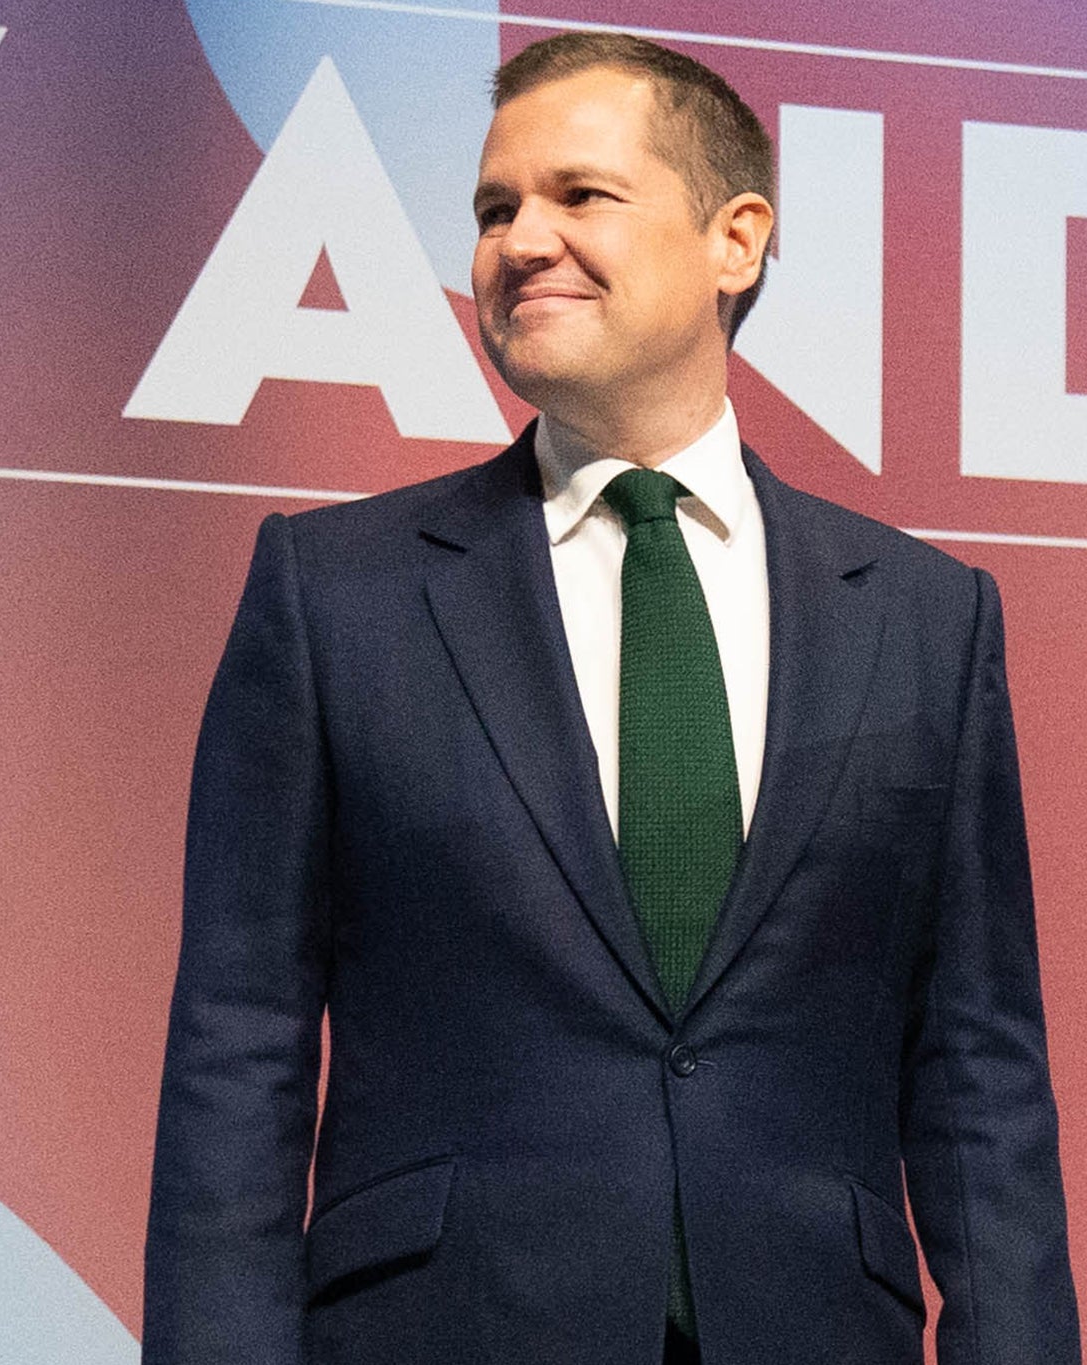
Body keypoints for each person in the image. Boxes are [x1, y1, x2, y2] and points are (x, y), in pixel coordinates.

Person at [144, 32, 1076, 1365]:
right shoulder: (332, 592)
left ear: (735, 239)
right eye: (492, 209)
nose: (520, 239)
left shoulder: (926, 620)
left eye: (579, 196)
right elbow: (240, 1051)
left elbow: (982, 1076)